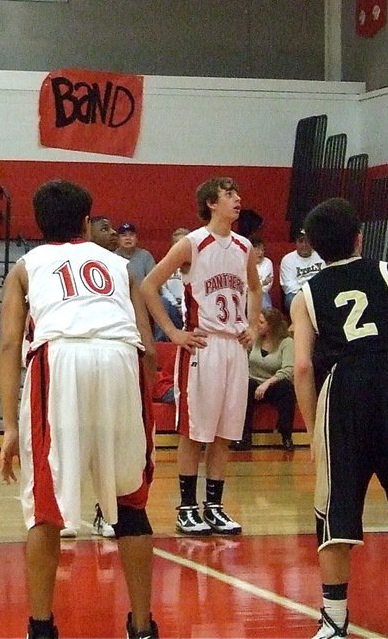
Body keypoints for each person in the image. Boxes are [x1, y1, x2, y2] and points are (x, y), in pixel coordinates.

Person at [0, 179, 159, 639]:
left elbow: (10, 344)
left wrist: (10, 426)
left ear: (39, 224)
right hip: (119, 361)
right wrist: (141, 410)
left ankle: (42, 627)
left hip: (61, 360)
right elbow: (148, 349)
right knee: (132, 505)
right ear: (87, 222)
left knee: (45, 509)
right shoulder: (118, 264)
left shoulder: (26, 266)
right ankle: (143, 627)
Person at [290, 197, 388, 639]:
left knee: (335, 513)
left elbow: (301, 368)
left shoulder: (307, 295)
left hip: (346, 391)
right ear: (360, 237)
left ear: (314, 248)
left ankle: (335, 621)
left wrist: (313, 428)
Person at [140, 177, 261, 537]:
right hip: (202, 346)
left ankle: (215, 507)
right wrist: (174, 332)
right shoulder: (192, 243)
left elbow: (255, 289)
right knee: (194, 432)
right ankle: (186, 507)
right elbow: (148, 285)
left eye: (237, 194)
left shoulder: (244, 247)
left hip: (234, 348)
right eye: (229, 195)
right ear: (211, 203)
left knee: (224, 434)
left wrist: (253, 325)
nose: (238, 200)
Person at [232, 307, 297, 451]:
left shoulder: (286, 342)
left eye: (261, 322)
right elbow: (243, 357)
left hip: (273, 383)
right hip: (253, 382)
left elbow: (288, 370)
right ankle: (244, 437)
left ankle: (286, 436)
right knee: (245, 386)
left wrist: (267, 383)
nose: (257, 325)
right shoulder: (255, 339)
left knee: (287, 388)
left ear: (271, 326)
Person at [279, 229, 325, 312]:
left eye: (307, 241)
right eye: (301, 241)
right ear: (296, 243)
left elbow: (326, 279)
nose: (304, 245)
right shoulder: (287, 260)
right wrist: (308, 295)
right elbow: (289, 287)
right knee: (291, 300)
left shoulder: (321, 256)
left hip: (319, 292)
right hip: (297, 293)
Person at [251, 235, 274, 310]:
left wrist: (254, 286)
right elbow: (243, 286)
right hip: (244, 295)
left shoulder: (267, 262)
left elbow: (266, 287)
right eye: (257, 249)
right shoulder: (243, 262)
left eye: (262, 250)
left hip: (261, 294)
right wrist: (262, 282)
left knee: (263, 299)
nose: (261, 253)